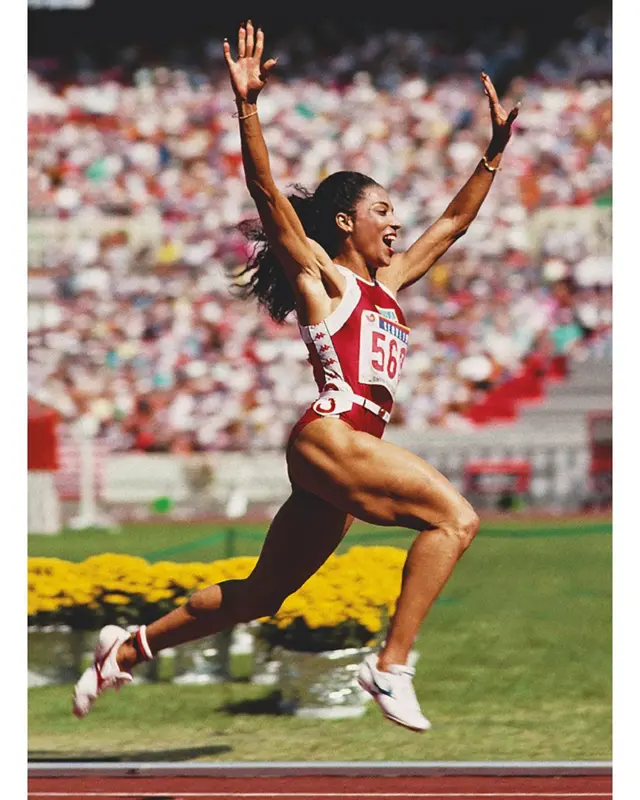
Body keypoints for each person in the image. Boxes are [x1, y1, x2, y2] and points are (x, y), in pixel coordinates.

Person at [73, 22, 520, 732]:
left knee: (262, 593)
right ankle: (391, 665)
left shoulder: (392, 282)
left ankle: (128, 647)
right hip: (332, 431)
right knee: (455, 518)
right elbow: (266, 190)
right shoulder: (321, 276)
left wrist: (493, 153)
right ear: (345, 222)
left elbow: (455, 223)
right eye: (382, 212)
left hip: (343, 451)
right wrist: (247, 107)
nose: (397, 224)